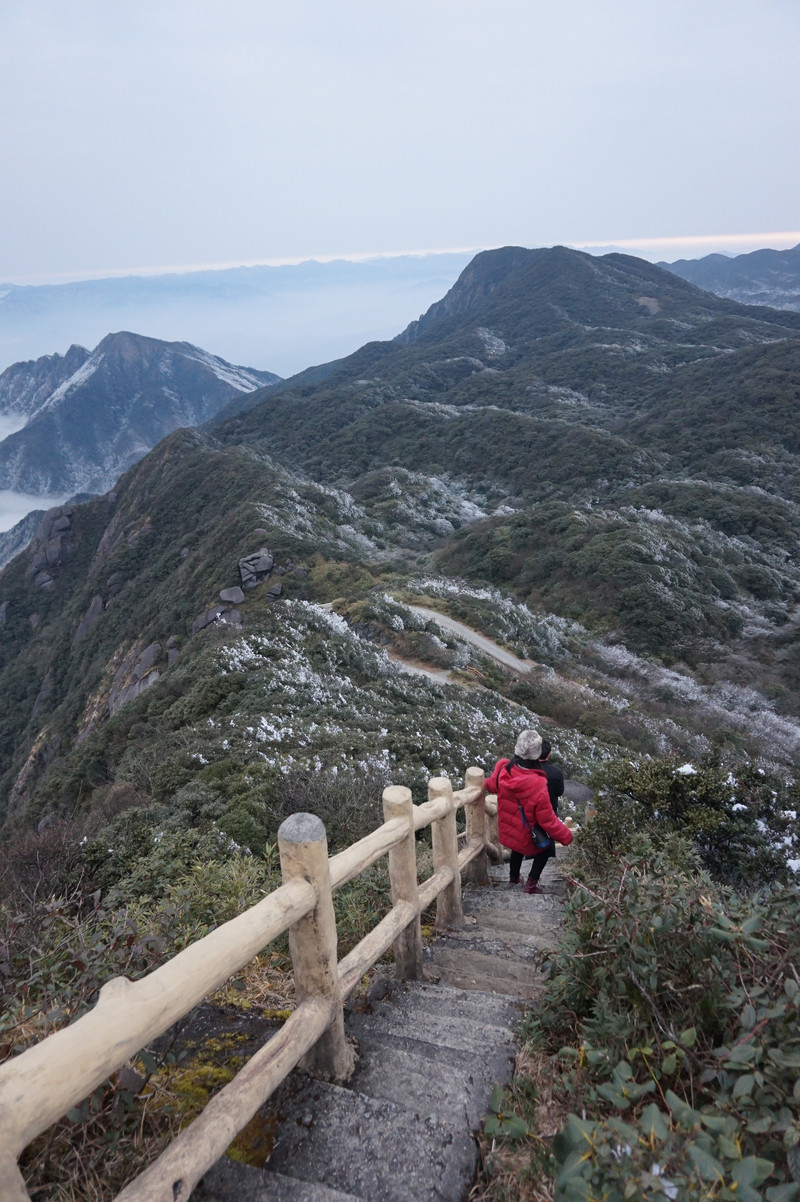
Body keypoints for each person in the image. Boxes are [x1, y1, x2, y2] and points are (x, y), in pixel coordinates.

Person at [485, 729, 573, 895]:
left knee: (517, 848)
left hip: (511, 828)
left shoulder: (506, 769)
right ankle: (531, 884)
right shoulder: (538, 782)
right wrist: (566, 836)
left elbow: (490, 786)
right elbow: (547, 820)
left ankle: (514, 878)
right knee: (546, 850)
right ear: (537, 754)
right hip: (527, 830)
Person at [537, 739, 565, 815]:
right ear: (549, 755)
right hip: (550, 811)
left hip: (530, 812)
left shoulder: (527, 770)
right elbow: (560, 792)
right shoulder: (556, 772)